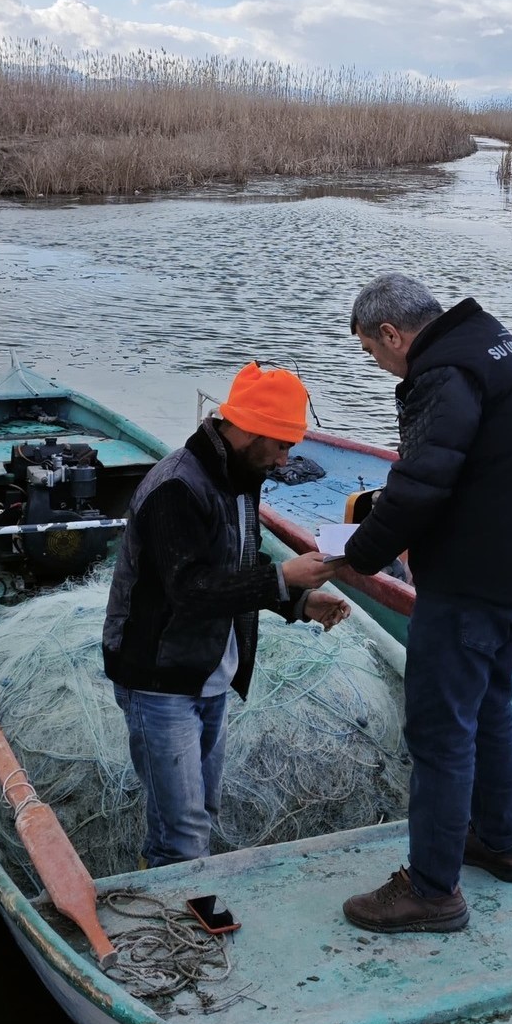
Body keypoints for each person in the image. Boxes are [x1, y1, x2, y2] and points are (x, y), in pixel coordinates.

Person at [338, 273, 512, 932]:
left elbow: (423, 482)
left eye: (373, 354)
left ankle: (432, 889)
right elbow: (460, 467)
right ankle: (499, 839)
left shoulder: (445, 372)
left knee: (438, 731)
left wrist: (357, 555)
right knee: (490, 706)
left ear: (392, 334)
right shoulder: (491, 342)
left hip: (467, 585)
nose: (378, 367)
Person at [103, 361, 347, 867]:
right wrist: (285, 578)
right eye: (281, 445)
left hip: (208, 674)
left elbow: (236, 565)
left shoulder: (238, 475)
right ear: (248, 431)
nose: (285, 461)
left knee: (201, 811)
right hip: (159, 680)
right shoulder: (178, 487)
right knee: (185, 831)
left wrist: (298, 602)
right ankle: (183, 930)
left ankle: (173, 897)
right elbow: (190, 591)